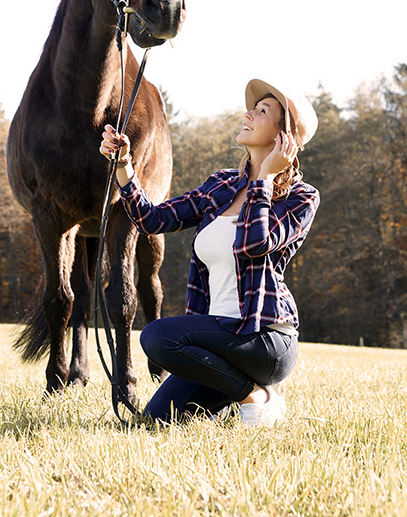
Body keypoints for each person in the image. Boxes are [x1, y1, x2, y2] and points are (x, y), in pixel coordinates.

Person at [99, 78, 320, 427]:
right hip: (216, 337)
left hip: (264, 338)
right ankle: (247, 395)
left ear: (284, 134)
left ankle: (255, 396)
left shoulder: (301, 197)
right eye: (252, 107)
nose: (248, 113)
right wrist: (124, 164)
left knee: (156, 336)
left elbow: (253, 243)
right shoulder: (220, 185)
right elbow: (153, 219)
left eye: (262, 111)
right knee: (157, 419)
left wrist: (263, 179)